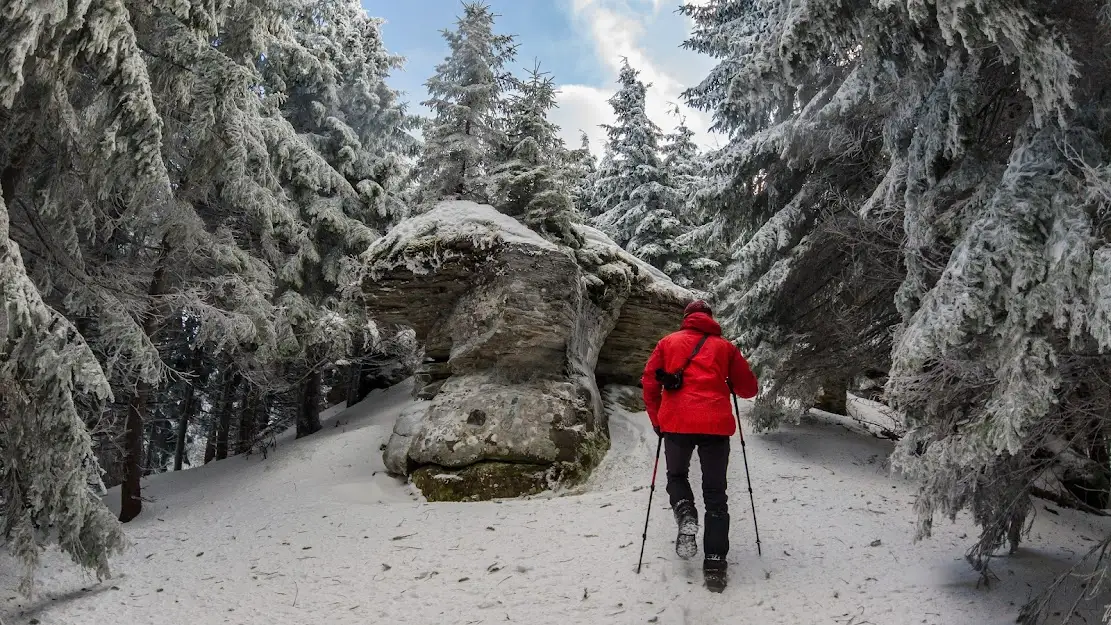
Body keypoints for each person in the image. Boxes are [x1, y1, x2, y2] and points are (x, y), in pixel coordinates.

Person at [641, 299, 758, 582]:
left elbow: (649, 382)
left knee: (676, 476)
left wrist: (657, 420)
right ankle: (715, 564)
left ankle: (685, 512)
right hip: (715, 426)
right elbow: (749, 389)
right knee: (716, 493)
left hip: (677, 423)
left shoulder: (667, 343)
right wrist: (726, 379)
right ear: (710, 318)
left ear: (686, 318)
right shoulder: (726, 348)